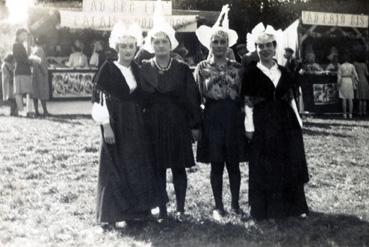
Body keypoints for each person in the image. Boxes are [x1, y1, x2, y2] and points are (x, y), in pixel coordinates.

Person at [91, 22, 160, 230]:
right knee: (114, 166)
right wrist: (106, 126)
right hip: (115, 123)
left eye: (132, 46)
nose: (128, 50)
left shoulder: (137, 70)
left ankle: (136, 213)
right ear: (117, 48)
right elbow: (98, 99)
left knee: (135, 165)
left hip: (135, 125)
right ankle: (111, 216)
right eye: (124, 47)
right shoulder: (108, 69)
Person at [241, 24, 309, 221]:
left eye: (268, 45)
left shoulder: (284, 72)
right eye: (260, 46)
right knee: (264, 166)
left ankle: (291, 208)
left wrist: (298, 121)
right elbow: (247, 102)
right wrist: (249, 127)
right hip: (262, 125)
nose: (265, 50)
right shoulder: (251, 73)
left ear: (275, 47)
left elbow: (290, 98)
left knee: (288, 163)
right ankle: (264, 210)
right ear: (256, 49)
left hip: (285, 123)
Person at [140, 16, 202, 222]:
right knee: (158, 168)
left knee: (178, 167)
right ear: (151, 45)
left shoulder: (181, 68)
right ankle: (162, 210)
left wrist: (195, 125)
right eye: (156, 42)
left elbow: (192, 98)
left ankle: (181, 208)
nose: (160, 45)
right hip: (153, 124)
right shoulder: (145, 67)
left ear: (171, 44)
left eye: (164, 41)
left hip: (177, 123)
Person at [194, 4, 247, 221]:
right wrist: (196, 124)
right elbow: (197, 97)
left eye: (223, 41)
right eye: (215, 41)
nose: (219, 45)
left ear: (228, 44)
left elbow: (244, 95)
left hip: (233, 117)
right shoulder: (202, 68)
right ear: (210, 44)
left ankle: (235, 204)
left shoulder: (238, 67)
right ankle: (218, 206)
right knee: (217, 164)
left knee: (233, 163)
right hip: (213, 117)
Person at [13, 28, 36, 116]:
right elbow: (20, 59)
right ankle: (22, 111)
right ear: (18, 35)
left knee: (27, 92)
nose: (25, 37)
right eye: (23, 35)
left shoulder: (22, 45)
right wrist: (31, 60)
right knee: (19, 92)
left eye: (26, 35)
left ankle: (27, 110)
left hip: (24, 71)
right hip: (20, 71)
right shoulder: (16, 45)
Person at [31, 36, 50, 117]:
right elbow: (41, 62)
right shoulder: (41, 50)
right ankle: (45, 111)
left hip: (34, 73)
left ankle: (36, 111)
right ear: (44, 44)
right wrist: (45, 72)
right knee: (43, 92)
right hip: (40, 74)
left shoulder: (34, 50)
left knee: (35, 93)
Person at [337, 54, 358, 119]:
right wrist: (355, 81)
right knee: (350, 98)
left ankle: (344, 114)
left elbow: (339, 76)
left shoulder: (341, 66)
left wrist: (338, 84)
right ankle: (350, 114)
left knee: (344, 98)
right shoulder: (352, 66)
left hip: (343, 81)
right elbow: (356, 75)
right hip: (350, 81)